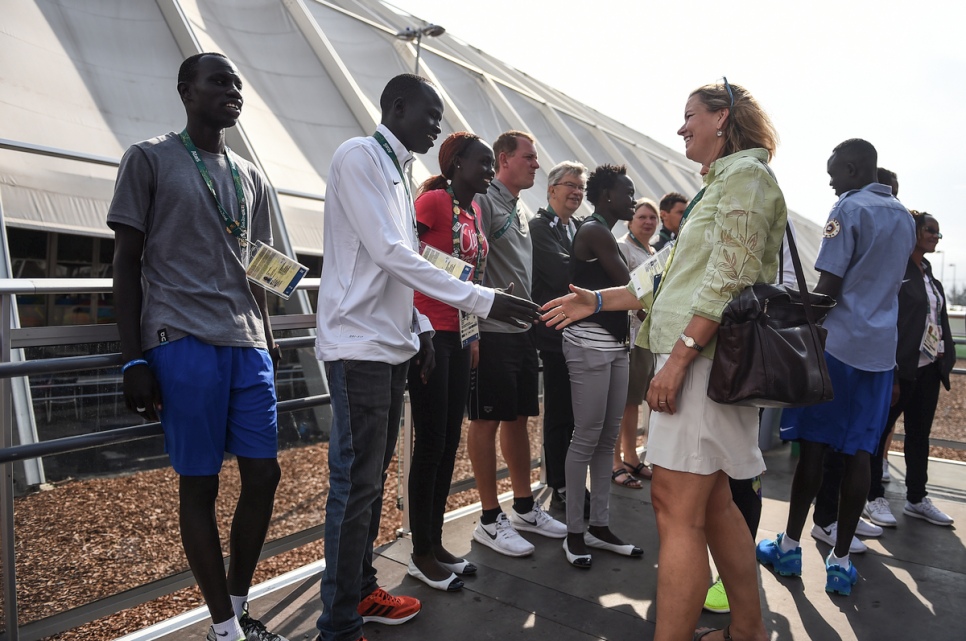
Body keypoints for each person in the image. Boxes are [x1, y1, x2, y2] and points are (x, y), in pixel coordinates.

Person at [544, 78, 782, 641]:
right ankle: (746, 630)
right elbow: (666, 276)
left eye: (690, 115)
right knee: (717, 503)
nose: (681, 128)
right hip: (704, 361)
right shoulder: (724, 182)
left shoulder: (744, 176)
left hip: (701, 365)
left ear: (722, 117)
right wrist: (596, 300)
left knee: (675, 509)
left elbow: (729, 277)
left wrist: (678, 359)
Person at [314, 75, 540, 641]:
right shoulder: (359, 156)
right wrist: (485, 300)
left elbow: (404, 258)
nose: (438, 124)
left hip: (391, 342)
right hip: (358, 344)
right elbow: (392, 253)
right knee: (355, 483)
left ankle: (361, 591)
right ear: (395, 106)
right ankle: (337, 624)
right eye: (429, 112)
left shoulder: (397, 172)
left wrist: (415, 328)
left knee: (369, 481)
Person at [109, 52, 287, 641]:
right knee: (201, 484)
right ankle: (224, 628)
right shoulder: (149, 158)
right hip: (180, 337)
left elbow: (263, 269)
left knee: (263, 475)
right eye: (218, 81)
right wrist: (133, 357)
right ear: (186, 91)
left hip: (247, 341)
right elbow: (126, 263)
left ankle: (235, 609)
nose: (232, 90)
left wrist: (269, 333)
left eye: (237, 83)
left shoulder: (251, 175)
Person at [758, 139, 916, 598]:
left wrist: (780, 306)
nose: (830, 181)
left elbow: (828, 289)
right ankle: (841, 563)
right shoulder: (904, 216)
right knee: (860, 455)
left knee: (814, 449)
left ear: (851, 168)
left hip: (838, 349)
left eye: (834, 173)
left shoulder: (846, 209)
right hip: (880, 354)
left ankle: (788, 547)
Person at [468, 131, 567, 558]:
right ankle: (489, 520)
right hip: (491, 332)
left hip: (521, 330)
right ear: (504, 159)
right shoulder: (484, 201)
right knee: (486, 422)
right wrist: (470, 329)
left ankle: (524, 507)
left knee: (519, 418)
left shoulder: (518, 207)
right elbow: (468, 264)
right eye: (529, 157)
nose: (536, 164)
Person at [407, 132, 494, 592]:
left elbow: (472, 277)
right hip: (428, 331)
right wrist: (417, 327)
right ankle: (419, 553)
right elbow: (406, 261)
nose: (490, 171)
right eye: (483, 163)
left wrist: (473, 331)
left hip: (460, 334)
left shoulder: (475, 210)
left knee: (447, 443)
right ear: (456, 163)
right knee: (431, 441)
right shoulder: (434, 202)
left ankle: (434, 543)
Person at [560, 164, 643, 569]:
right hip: (588, 344)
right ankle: (574, 533)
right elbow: (633, 288)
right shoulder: (594, 230)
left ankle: (600, 525)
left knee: (607, 438)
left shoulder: (604, 232)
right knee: (586, 436)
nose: (632, 198)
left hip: (616, 345)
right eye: (627, 192)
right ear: (607, 196)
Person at [864, 211, 956, 527]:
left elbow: (936, 322)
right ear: (913, 232)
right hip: (900, 369)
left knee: (919, 436)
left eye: (938, 233)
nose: (935, 237)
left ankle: (916, 498)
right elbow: (889, 322)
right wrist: (891, 372)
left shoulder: (930, 275)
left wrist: (944, 359)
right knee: (879, 434)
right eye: (931, 230)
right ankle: (872, 496)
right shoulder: (897, 271)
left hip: (929, 368)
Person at [529, 160, 589, 508]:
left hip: (578, 334)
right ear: (551, 190)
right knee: (559, 413)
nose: (576, 192)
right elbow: (564, 272)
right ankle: (559, 484)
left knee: (578, 414)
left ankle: (572, 480)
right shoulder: (540, 227)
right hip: (555, 336)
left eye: (580, 187)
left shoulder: (578, 227)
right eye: (570, 185)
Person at [612, 198, 659, 489]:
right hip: (628, 333)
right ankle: (616, 458)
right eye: (642, 216)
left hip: (646, 336)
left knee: (636, 400)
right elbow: (624, 291)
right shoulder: (622, 247)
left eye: (652, 217)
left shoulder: (654, 251)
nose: (647, 221)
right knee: (623, 402)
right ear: (631, 221)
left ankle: (631, 454)